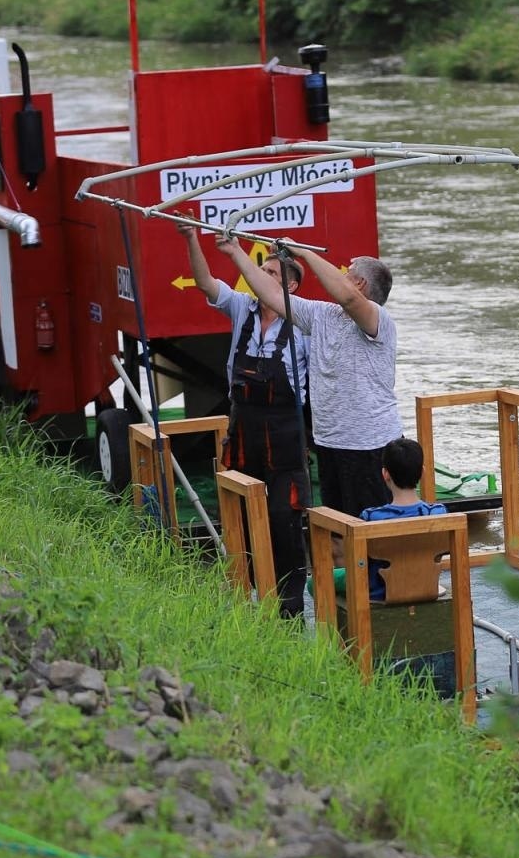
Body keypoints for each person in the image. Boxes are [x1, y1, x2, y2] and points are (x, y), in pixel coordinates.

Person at [179, 223, 311, 618]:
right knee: (238, 509)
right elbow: (205, 283)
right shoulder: (240, 307)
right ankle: (247, 586)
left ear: (292, 287)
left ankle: (290, 599)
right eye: (262, 271)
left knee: (284, 517)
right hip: (244, 427)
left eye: (271, 274)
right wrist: (191, 239)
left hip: (285, 431)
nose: (261, 278)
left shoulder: (305, 322)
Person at [226, 237, 400, 517]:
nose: (341, 276)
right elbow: (271, 295)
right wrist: (235, 252)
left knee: (372, 527)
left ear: (359, 285)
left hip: (370, 444)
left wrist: (304, 252)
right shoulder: (323, 314)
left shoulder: (378, 318)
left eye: (347, 274)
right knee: (335, 525)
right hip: (330, 442)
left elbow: (348, 298)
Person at [360, 438, 446, 601]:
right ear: (422, 472)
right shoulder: (438, 512)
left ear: (385, 474)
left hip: (380, 593)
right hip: (427, 587)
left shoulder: (370, 517)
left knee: (317, 582)